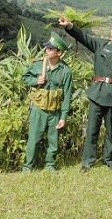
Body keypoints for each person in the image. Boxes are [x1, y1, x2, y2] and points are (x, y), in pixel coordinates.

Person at [58, 13, 112, 172]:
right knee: (92, 129)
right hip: (97, 93)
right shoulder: (101, 45)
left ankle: (109, 159)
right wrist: (69, 26)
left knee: (111, 130)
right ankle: (88, 161)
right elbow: (83, 37)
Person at [21, 31, 73, 172]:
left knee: (53, 141)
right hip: (38, 110)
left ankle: (50, 165)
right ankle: (28, 167)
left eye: (51, 48)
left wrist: (63, 117)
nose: (47, 50)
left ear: (59, 52)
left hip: (54, 112)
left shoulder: (66, 71)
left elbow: (67, 96)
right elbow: (25, 77)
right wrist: (35, 81)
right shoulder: (38, 65)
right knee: (33, 139)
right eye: (47, 47)